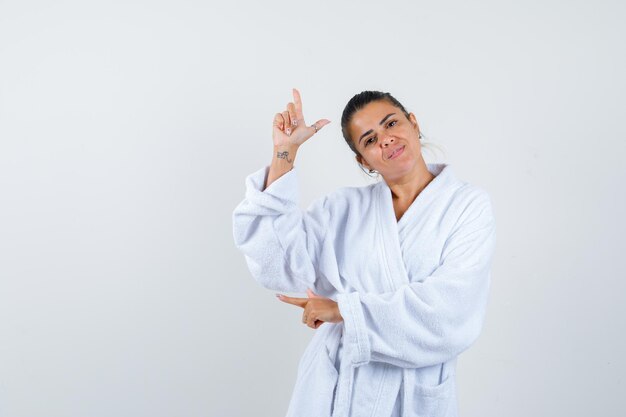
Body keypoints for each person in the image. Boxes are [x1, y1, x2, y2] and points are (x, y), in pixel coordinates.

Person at [232, 88, 497, 417]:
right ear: (363, 160)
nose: (385, 140)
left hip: (412, 395)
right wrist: (285, 153)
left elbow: (451, 312)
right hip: (337, 390)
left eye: (391, 123)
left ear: (413, 124)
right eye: (369, 140)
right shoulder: (342, 209)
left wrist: (344, 311)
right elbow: (278, 263)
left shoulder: (467, 206)